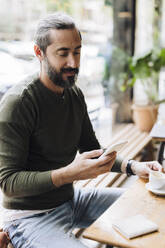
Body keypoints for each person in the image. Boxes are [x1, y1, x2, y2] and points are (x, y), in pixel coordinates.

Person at [0, 12, 162, 248]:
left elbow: (92, 149)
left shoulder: (74, 94)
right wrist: (70, 173)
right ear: (39, 53)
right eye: (63, 53)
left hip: (72, 200)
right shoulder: (19, 103)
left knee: (151, 207)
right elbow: (8, 183)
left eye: (77, 51)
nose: (73, 63)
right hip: (29, 217)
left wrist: (133, 167)